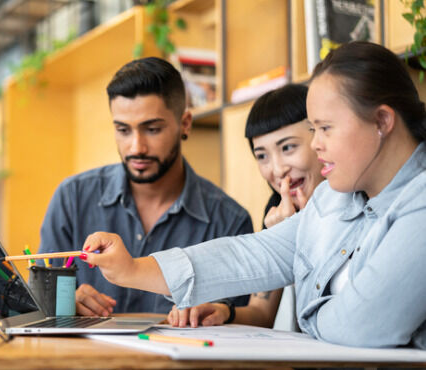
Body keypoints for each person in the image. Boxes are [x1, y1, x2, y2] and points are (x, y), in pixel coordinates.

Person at [79, 41, 426, 348]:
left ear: (381, 121)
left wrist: (308, 320)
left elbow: (362, 324)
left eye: (325, 128)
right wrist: (133, 269)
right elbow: (251, 254)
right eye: (313, 129)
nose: (316, 144)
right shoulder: (335, 198)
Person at [38, 57, 254, 316]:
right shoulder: (72, 198)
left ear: (185, 123)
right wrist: (63, 303)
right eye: (123, 130)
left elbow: (234, 327)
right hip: (85, 356)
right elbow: (40, 299)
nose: (136, 147)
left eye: (152, 129)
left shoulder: (229, 222)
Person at [168, 84, 325, 329]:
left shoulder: (354, 202)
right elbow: (261, 312)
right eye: (262, 155)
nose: (276, 169)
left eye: (287, 148)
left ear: (321, 139)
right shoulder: (277, 211)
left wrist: (300, 236)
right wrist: (224, 311)